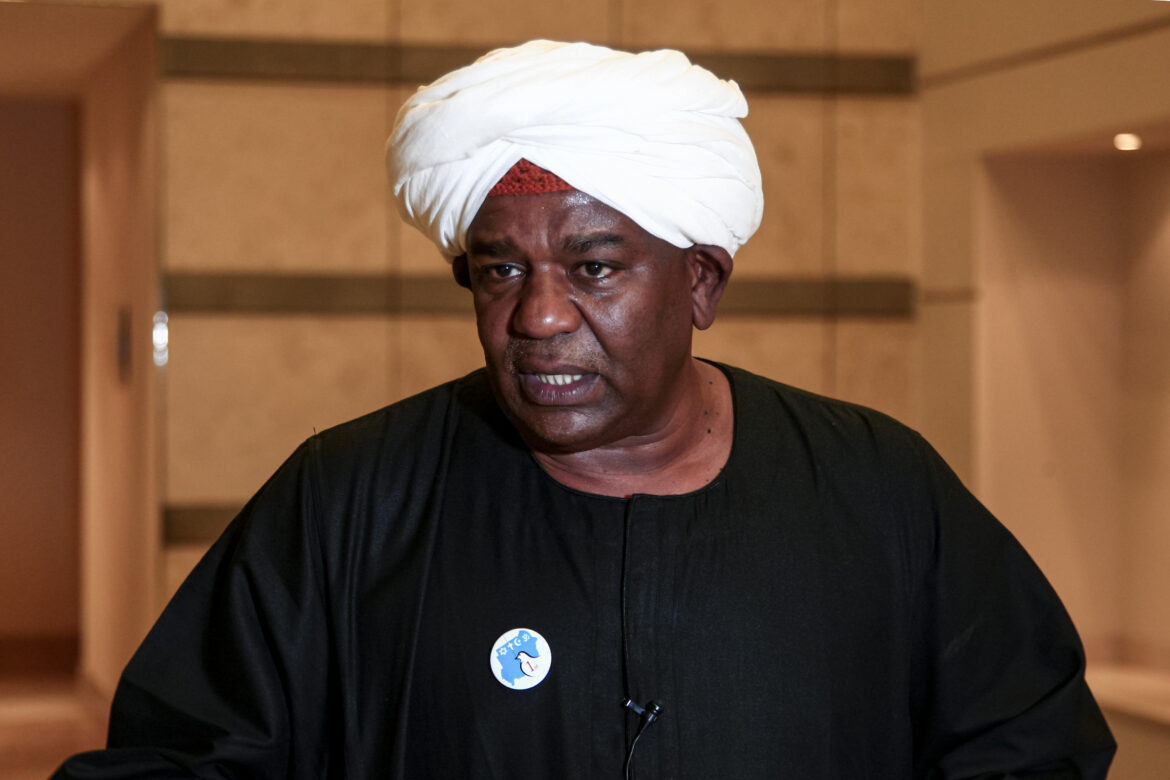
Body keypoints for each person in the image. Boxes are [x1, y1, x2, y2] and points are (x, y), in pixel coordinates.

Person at [55, 40, 1115, 778]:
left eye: (594, 267)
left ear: (700, 283)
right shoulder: (349, 499)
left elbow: (1028, 745)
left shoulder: (878, 489)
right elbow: (180, 756)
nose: (538, 316)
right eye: (499, 272)